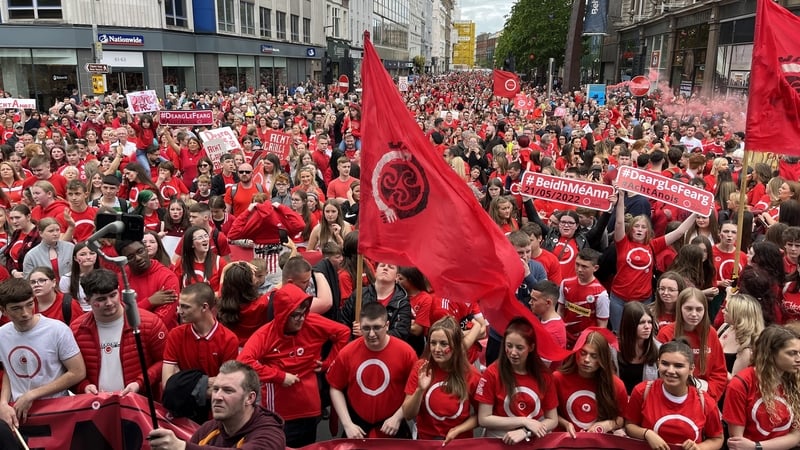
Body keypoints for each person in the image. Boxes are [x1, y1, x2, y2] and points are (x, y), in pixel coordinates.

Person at [237, 283, 350, 447]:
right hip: (280, 413)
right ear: (283, 314)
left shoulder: (311, 321)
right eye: (295, 315)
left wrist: (328, 363)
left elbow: (343, 332)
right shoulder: (267, 334)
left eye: (304, 313)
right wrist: (279, 377)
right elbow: (244, 361)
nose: (301, 319)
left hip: (309, 408)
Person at [0, 278, 85, 449]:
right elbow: (11, 370)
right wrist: (2, 403)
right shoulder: (2, 334)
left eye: (29, 304)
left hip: (56, 411)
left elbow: (77, 372)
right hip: (19, 415)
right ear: (3, 310)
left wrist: (32, 394)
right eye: (16, 308)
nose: (25, 313)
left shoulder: (57, 330)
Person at [609, 189, 697, 332]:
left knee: (642, 335)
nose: (639, 229)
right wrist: (621, 198)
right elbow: (619, 222)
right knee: (619, 334)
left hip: (643, 300)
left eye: (643, 227)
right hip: (619, 299)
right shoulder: (622, 242)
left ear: (648, 231)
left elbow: (679, 232)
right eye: (636, 226)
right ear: (630, 229)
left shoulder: (653, 245)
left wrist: (696, 214)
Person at [327, 302, 418, 438]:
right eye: (366, 328)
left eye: (376, 328)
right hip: (357, 427)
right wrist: (347, 424)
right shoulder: (347, 352)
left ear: (387, 326)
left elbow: (414, 389)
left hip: (393, 426)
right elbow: (335, 387)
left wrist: (398, 417)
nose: (371, 334)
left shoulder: (406, 353)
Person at [147, 360, 286, 450]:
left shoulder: (270, 433)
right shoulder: (208, 429)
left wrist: (182, 446)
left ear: (250, 398)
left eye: (228, 390)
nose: (217, 397)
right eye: (215, 389)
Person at [71, 269, 167, 396]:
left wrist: (140, 383)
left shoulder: (149, 323)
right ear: (87, 300)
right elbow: (69, 370)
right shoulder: (76, 330)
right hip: (96, 406)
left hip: (140, 404)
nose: (109, 303)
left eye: (112, 295)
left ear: (119, 290)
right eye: (101, 299)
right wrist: (84, 386)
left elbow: (165, 362)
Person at [624, 338, 724, 450]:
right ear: (658, 363)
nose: (671, 370)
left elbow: (717, 439)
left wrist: (699, 448)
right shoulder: (642, 391)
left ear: (691, 369)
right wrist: (647, 434)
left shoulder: (705, 401)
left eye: (678, 366)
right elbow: (629, 425)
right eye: (665, 364)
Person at [161, 282, 239, 422]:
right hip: (183, 415)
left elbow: (226, 388)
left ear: (204, 307)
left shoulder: (228, 339)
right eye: (180, 305)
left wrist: (182, 382)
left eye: (186, 306)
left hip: (214, 417)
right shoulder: (175, 335)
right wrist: (207, 383)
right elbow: (168, 385)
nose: (179, 311)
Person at [476, 316, 558, 445]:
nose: (513, 352)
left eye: (519, 347)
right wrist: (524, 421)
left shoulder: (544, 375)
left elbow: (552, 419)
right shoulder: (492, 373)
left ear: (531, 347)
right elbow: (484, 418)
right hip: (499, 440)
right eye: (509, 346)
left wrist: (526, 431)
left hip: (534, 440)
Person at [403, 316, 480, 443]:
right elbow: (408, 414)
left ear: (455, 345)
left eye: (444, 344)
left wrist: (458, 430)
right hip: (426, 443)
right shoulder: (421, 367)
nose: (437, 349)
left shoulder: (471, 374)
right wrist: (420, 390)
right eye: (433, 343)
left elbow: (482, 416)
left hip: (458, 443)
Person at [723, 325, 800, 450]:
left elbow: (796, 435)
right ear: (771, 353)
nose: (798, 359)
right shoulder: (741, 384)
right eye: (792, 353)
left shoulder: (795, 381)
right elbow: (738, 443)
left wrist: (757, 446)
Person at [657, 287, 728, 402]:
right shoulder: (666, 334)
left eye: (699, 309)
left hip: (705, 397)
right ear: (680, 309)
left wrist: (708, 397)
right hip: (674, 395)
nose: (694, 314)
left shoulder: (711, 333)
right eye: (688, 309)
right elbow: (660, 371)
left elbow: (719, 372)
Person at [554, 328, 628, 436]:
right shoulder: (557, 378)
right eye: (583, 353)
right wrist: (566, 424)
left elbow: (622, 418)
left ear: (603, 359)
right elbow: (549, 414)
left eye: (594, 356)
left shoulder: (616, 385)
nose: (587, 360)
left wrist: (608, 425)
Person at [339, 262, 412, 341]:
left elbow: (401, 333)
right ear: (375, 272)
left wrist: (368, 333)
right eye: (382, 265)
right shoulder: (359, 294)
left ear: (397, 277)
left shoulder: (402, 303)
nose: (385, 268)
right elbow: (343, 321)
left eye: (391, 267)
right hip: (357, 347)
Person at [116, 239, 180, 329]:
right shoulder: (121, 278)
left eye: (140, 251)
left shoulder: (168, 278)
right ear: (124, 260)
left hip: (162, 338)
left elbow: (160, 323)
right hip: (129, 338)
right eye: (130, 256)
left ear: (146, 249)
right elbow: (117, 317)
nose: (138, 258)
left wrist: (131, 312)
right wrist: (149, 302)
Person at [557, 248, 609, 348]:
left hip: (585, 342)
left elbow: (602, 325)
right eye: (577, 264)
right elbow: (560, 311)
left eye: (584, 266)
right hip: (565, 338)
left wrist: (593, 345)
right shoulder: (565, 283)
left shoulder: (601, 294)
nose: (579, 269)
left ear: (595, 268)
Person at [217, 261, 269, 348]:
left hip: (231, 349)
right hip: (254, 350)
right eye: (253, 275)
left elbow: (225, 270)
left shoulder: (222, 298)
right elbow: (284, 281)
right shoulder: (262, 303)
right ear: (249, 283)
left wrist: (242, 263)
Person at [717, 293, 765, 379]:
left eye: (727, 310)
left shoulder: (746, 348)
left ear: (738, 316)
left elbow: (734, 382)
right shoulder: (725, 327)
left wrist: (714, 363)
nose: (723, 311)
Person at [617, 301, 660, 394]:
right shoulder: (613, 350)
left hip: (646, 401)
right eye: (641, 323)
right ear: (629, 325)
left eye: (649, 322)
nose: (647, 327)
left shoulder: (659, 349)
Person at [60, 242, 100, 311]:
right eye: (82, 254)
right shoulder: (66, 279)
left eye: (92, 253)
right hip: (78, 313)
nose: (88, 257)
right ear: (75, 258)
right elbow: (66, 303)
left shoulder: (106, 276)